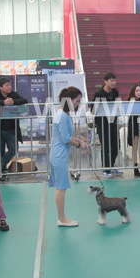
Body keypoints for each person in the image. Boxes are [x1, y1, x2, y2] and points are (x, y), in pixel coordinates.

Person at [49, 86, 89, 227]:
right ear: (69, 100)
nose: (78, 103)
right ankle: (62, 218)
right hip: (58, 155)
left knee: (61, 188)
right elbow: (65, 139)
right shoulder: (62, 116)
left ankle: (62, 217)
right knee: (61, 188)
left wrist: (78, 141)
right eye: (77, 100)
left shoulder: (63, 114)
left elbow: (65, 136)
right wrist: (78, 145)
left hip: (58, 154)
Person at [0, 77, 27, 176]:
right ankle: (2, 170)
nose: (9, 87)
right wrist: (3, 102)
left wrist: (13, 102)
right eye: (6, 85)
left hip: (11, 128)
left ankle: (0, 165)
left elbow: (24, 100)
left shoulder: (13, 94)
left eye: (10, 85)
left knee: (13, 149)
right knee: (0, 151)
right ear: (0, 87)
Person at [92, 72, 122, 178]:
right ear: (105, 81)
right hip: (102, 124)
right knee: (105, 147)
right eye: (111, 81)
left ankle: (111, 166)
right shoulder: (98, 94)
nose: (113, 83)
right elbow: (93, 109)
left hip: (113, 123)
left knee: (116, 146)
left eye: (114, 80)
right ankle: (105, 169)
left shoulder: (115, 92)